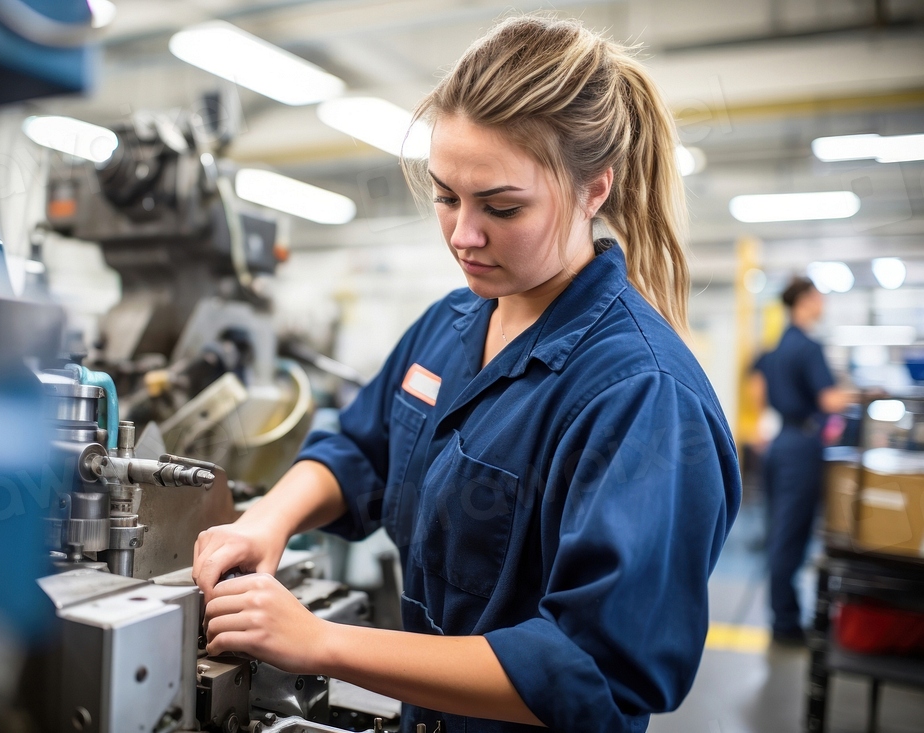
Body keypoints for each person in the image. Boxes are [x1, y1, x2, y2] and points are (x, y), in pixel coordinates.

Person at [193, 16, 741, 733]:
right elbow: (365, 449)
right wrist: (268, 516)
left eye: (501, 206)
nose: (462, 235)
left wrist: (322, 643)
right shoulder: (453, 322)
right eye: (446, 194)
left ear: (594, 189)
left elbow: (594, 670)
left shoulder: (640, 395)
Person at [751, 277, 853, 645]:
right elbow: (829, 401)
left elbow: (758, 390)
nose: (822, 300)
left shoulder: (776, 347)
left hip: (781, 443)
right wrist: (860, 393)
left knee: (780, 531)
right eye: (819, 294)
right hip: (802, 446)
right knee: (791, 535)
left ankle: (784, 616)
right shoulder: (808, 346)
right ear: (806, 300)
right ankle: (786, 624)